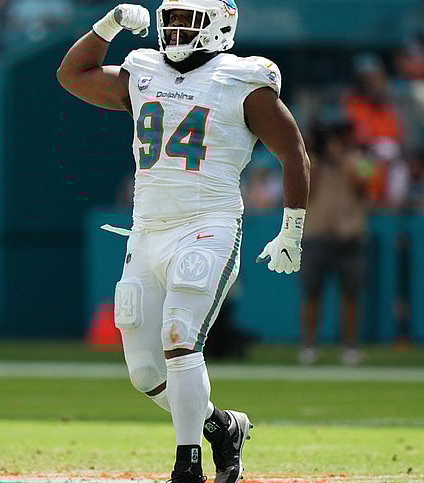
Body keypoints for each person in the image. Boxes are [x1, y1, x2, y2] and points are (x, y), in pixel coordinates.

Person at [57, 2, 311, 482]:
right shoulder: (143, 71)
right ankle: (221, 426)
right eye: (169, 19)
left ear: (219, 25)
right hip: (148, 230)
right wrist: (107, 25)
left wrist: (291, 229)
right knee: (144, 372)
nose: (173, 29)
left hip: (208, 224)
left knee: (180, 336)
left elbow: (293, 152)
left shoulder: (242, 80)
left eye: (185, 20)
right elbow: (73, 74)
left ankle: (187, 464)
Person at [298, 120, 370, 366]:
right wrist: (316, 155)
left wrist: (345, 161)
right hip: (317, 233)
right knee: (312, 294)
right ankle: (309, 345)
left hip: (349, 235)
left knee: (351, 294)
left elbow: (365, 187)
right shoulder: (312, 161)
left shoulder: (358, 160)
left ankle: (349, 346)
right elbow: (308, 187)